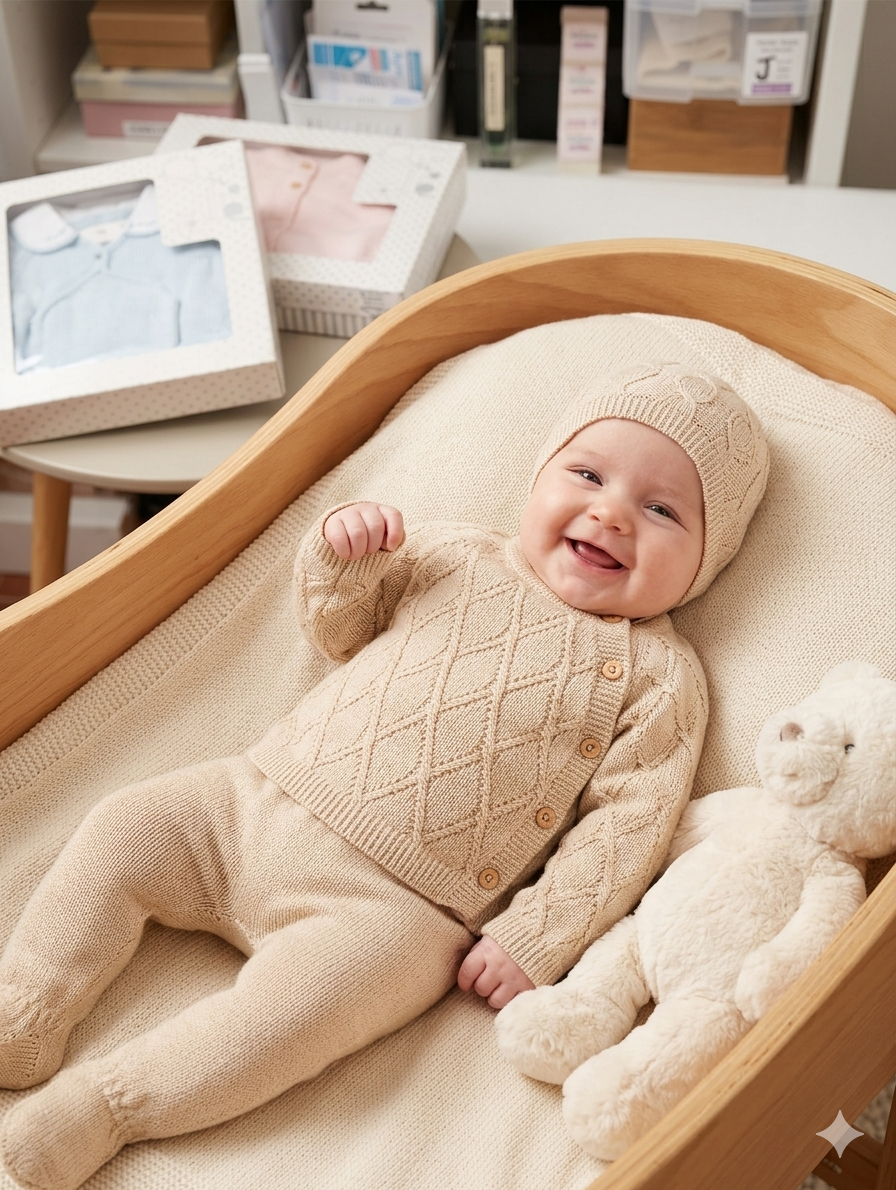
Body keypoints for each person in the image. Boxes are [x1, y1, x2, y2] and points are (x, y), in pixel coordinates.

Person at [0, 364, 768, 1190]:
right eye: (586, 475)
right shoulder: (453, 554)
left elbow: (629, 825)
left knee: (287, 1021)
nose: (611, 512)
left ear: (707, 561)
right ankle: (28, 1006)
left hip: (395, 912)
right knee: (125, 825)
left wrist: (537, 935)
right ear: (539, 477)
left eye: (661, 510)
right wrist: (343, 557)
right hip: (251, 801)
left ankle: (103, 1107)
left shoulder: (660, 678)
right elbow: (340, 630)